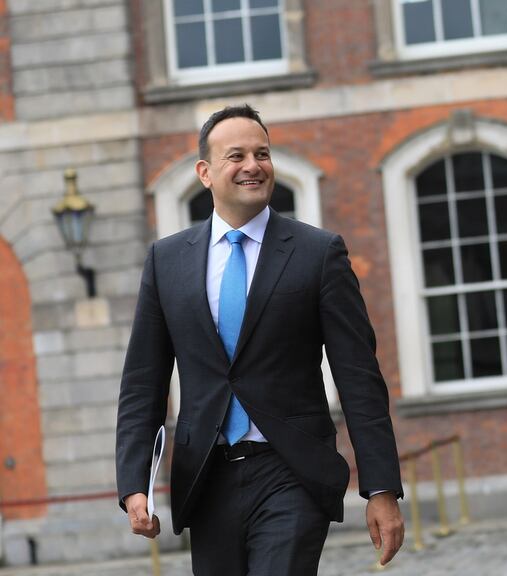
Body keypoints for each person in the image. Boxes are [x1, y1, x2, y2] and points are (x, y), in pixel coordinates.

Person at [116, 104, 404, 575]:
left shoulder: (318, 254)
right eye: (237, 156)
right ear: (205, 173)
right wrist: (134, 483)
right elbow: (142, 384)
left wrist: (382, 489)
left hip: (291, 470)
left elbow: (359, 379)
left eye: (262, 153)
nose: (253, 165)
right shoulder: (166, 262)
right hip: (206, 478)